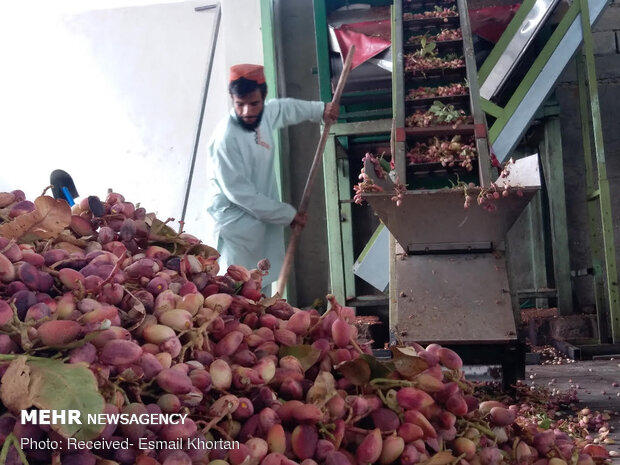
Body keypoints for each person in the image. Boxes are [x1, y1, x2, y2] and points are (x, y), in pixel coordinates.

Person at [205, 64, 339, 292]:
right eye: (240, 104)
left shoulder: (264, 114)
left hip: (261, 221)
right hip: (237, 228)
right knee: (239, 289)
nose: (247, 111)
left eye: (254, 104)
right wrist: (288, 215)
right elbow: (243, 196)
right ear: (232, 99)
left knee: (261, 284)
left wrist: (320, 110)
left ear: (262, 97)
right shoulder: (225, 140)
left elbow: (284, 109)